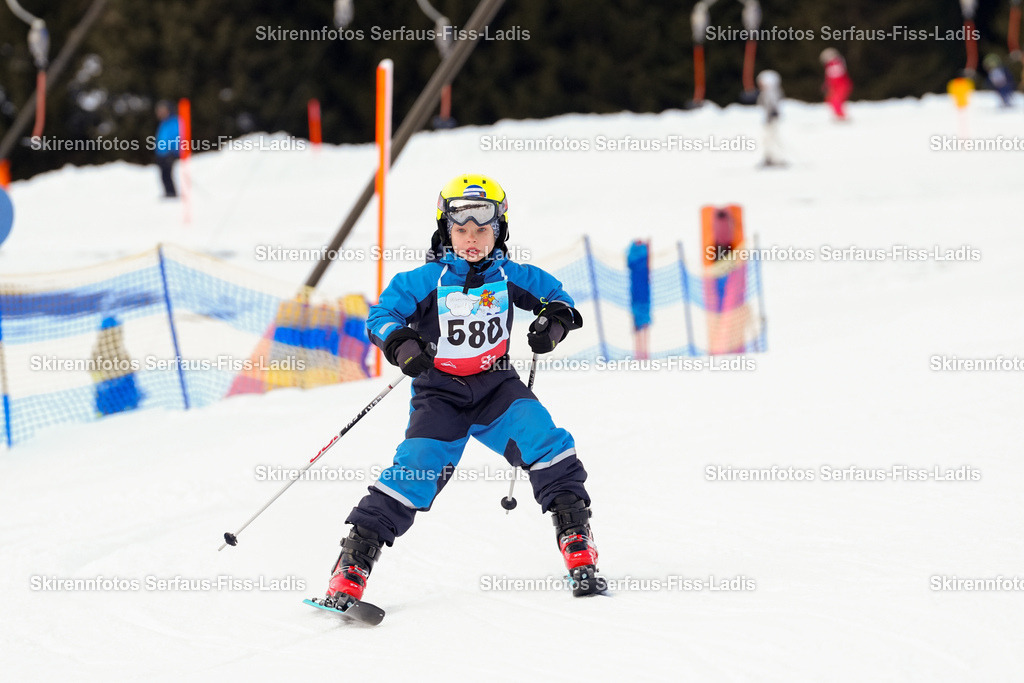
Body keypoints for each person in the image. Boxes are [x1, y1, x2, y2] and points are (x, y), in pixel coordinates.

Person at [324, 174, 603, 605]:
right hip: (441, 395)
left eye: (482, 229)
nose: (471, 239)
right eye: (461, 229)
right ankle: (353, 564)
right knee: (415, 470)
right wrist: (402, 343)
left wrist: (554, 324)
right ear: (445, 230)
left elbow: (557, 298)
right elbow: (380, 316)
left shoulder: (511, 276)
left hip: (497, 390)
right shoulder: (424, 280)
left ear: (500, 231)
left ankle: (576, 539)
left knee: (546, 441)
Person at [756, 69, 785, 167]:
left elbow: (773, 105)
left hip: (771, 119)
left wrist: (773, 113)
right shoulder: (766, 93)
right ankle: (769, 157)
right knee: (767, 139)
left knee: (772, 139)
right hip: (768, 119)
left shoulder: (771, 93)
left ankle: (776, 158)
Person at [154, 101, 180, 198]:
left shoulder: (174, 121)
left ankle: (171, 193)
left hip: (169, 154)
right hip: (162, 154)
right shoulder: (163, 123)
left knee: (168, 174)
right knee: (163, 175)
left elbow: (176, 137)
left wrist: (173, 151)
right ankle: (168, 192)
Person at [820, 48, 853, 121]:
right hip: (836, 86)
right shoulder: (830, 65)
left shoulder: (836, 63)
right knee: (831, 100)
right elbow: (829, 78)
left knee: (836, 100)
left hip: (841, 85)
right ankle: (839, 115)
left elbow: (835, 76)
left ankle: (841, 116)